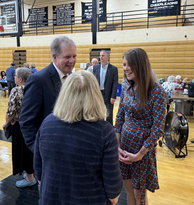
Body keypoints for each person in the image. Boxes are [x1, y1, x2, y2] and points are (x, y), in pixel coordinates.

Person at [34, 70, 123, 205]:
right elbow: (113, 192)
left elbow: (39, 174)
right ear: (96, 95)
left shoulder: (47, 123)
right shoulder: (104, 131)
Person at [114, 48, 166, 205]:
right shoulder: (127, 88)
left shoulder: (156, 91)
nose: (125, 68)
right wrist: (117, 145)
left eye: (129, 64)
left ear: (141, 65)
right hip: (124, 147)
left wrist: (140, 154)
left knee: (139, 194)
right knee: (128, 189)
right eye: (124, 65)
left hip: (141, 151)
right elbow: (120, 117)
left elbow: (158, 129)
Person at [19, 35, 77, 152]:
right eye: (67, 57)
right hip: (48, 150)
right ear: (54, 57)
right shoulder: (38, 80)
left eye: (74, 56)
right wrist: (39, 150)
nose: (72, 61)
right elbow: (26, 121)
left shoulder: (71, 78)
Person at [3, 68, 36, 188]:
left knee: (22, 150)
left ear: (20, 79)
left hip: (20, 126)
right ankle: (33, 172)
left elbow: (11, 111)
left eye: (15, 75)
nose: (14, 77)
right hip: (33, 124)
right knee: (32, 149)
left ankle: (29, 178)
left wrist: (6, 123)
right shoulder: (34, 88)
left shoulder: (16, 90)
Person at [93, 50, 118, 125]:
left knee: (109, 114)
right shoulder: (95, 68)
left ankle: (109, 129)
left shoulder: (113, 69)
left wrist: (113, 96)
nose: (101, 57)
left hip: (108, 94)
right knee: (99, 112)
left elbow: (115, 83)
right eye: (100, 56)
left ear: (107, 57)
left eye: (103, 56)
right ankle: (100, 127)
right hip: (98, 93)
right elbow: (93, 81)